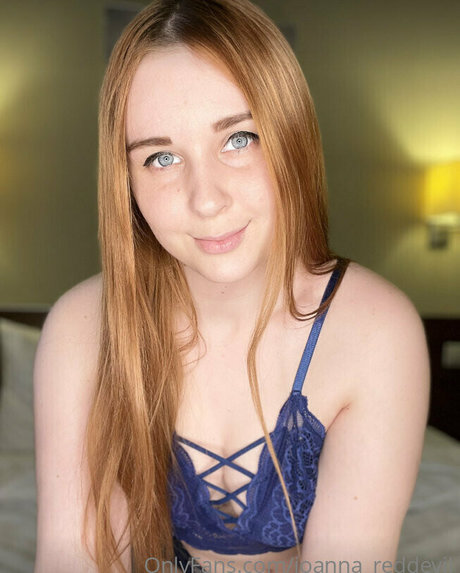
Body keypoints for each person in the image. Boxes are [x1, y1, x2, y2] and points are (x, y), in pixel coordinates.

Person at [33, 0, 430, 572]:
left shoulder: (374, 331)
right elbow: (74, 557)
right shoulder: (82, 329)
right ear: (127, 182)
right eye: (161, 158)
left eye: (239, 139)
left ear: (291, 136)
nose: (207, 199)